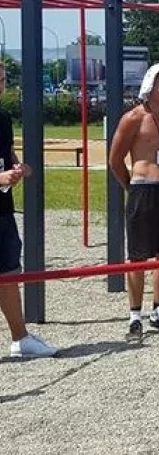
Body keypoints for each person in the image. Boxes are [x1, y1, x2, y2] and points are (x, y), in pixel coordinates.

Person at [109, 63, 159, 342]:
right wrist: (133, 186)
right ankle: (134, 315)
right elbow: (115, 159)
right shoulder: (133, 118)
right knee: (138, 256)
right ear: (150, 86)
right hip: (142, 190)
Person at [0, 61, 59, 358]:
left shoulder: (3, 118)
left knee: (9, 273)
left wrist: (18, 168)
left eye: (1, 80)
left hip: (2, 211)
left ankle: (20, 338)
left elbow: (8, 155)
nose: (0, 85)